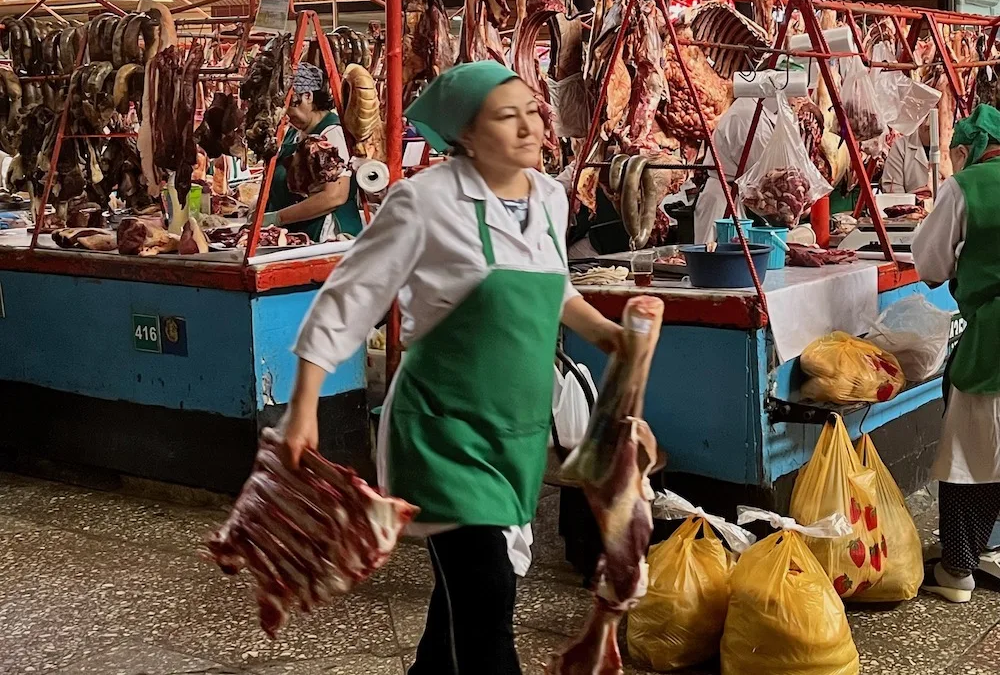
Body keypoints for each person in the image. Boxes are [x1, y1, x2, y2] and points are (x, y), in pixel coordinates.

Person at [281, 61, 623, 674]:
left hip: (513, 430)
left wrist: (604, 331)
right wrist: (305, 402)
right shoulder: (425, 201)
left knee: (466, 600)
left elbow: (555, 288)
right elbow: (351, 294)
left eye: (530, 110)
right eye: (505, 116)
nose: (529, 126)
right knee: (487, 593)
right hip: (440, 431)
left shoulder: (549, 198)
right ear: (466, 134)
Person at [913, 104, 1000, 603]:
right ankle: (980, 547)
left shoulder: (967, 187)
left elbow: (929, 261)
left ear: (968, 150)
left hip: (992, 336)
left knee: (966, 450)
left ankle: (957, 568)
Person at [263, 62, 363, 241]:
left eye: (290, 105)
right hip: (296, 235)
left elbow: (334, 197)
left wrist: (278, 217)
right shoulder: (294, 133)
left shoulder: (331, 133)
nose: (286, 113)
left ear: (308, 96)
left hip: (326, 236)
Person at [694, 96, 777, 244]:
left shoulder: (757, 109)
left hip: (732, 194)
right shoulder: (749, 115)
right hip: (723, 200)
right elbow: (764, 174)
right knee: (716, 259)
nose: (797, 100)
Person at [881, 122, 933, 194]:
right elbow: (893, 191)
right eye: (926, 116)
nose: (928, 124)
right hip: (911, 203)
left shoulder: (953, 148)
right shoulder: (900, 146)